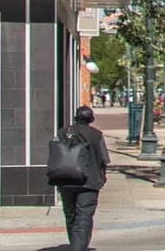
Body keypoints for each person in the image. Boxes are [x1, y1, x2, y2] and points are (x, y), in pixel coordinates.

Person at [58, 104, 110, 251]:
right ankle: (78, 247)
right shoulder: (96, 135)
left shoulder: (62, 132)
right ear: (91, 119)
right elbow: (104, 159)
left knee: (70, 214)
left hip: (66, 180)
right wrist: (103, 175)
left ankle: (76, 244)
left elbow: (55, 153)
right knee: (84, 216)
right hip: (89, 181)